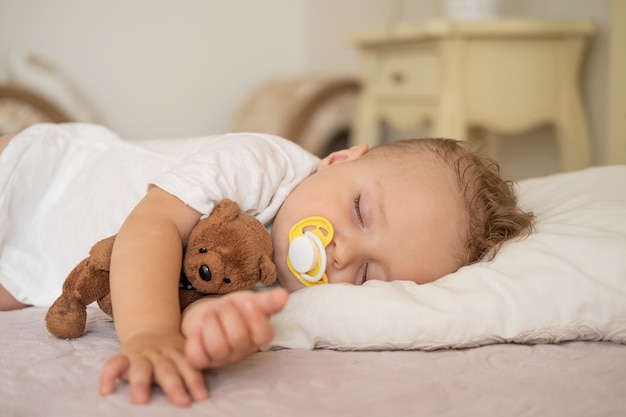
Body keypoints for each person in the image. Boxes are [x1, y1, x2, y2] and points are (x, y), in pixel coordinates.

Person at [0, 123, 533, 406]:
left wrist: (207, 334)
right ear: (339, 161)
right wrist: (150, 333)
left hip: (37, 272)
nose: (343, 251)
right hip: (37, 181)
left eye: (370, 273)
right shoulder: (262, 164)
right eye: (359, 210)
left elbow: (193, 296)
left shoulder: (296, 300)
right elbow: (152, 227)